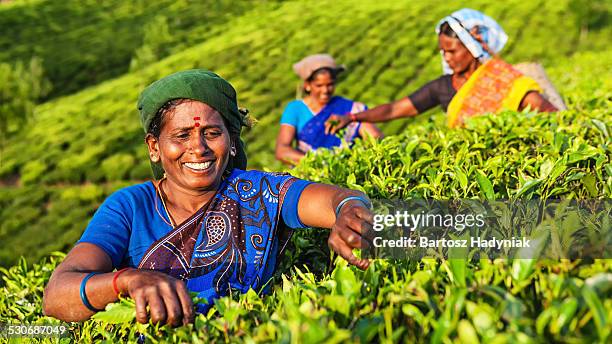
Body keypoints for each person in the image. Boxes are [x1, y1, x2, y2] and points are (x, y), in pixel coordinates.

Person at [43, 70, 373, 326]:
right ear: (155, 148)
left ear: (231, 142)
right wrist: (127, 281)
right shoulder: (129, 207)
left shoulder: (259, 192)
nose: (198, 148)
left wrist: (349, 212)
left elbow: (337, 200)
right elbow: (58, 294)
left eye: (212, 133)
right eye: (181, 135)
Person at [325, 8, 557, 134]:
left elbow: (544, 108)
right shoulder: (443, 87)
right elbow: (395, 109)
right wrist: (352, 117)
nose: (446, 57)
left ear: (472, 47)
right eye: (443, 51)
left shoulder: (501, 79)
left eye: (452, 51)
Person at [276, 54, 382, 165]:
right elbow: (282, 150)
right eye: (319, 85)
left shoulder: (351, 109)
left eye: (330, 84)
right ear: (307, 85)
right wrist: (319, 163)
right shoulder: (295, 109)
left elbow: (376, 139)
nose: (325, 90)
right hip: (310, 175)